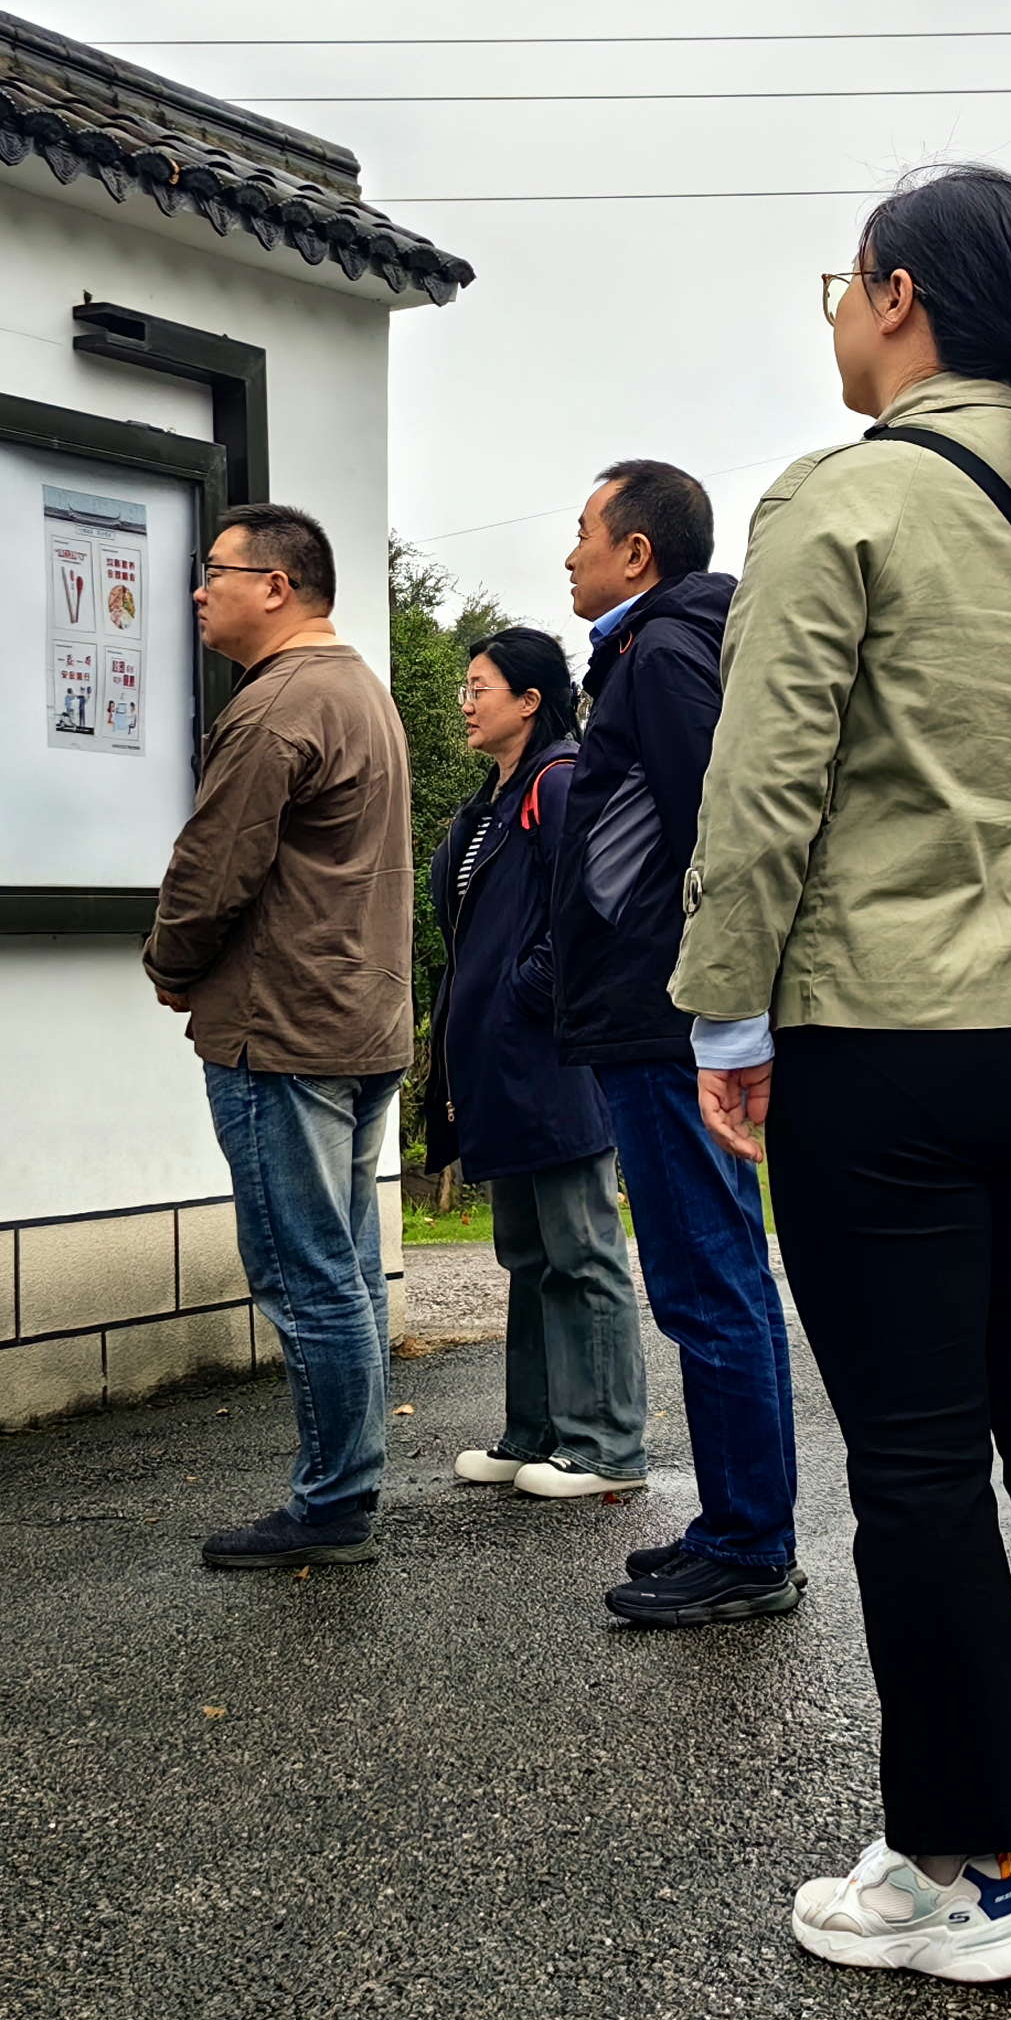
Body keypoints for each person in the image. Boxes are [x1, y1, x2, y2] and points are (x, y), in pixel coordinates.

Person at [678, 163, 1011, 1986]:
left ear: (896, 295)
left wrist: (723, 1013)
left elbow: (765, 790)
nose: (837, 311)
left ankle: (962, 1864)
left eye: (845, 283)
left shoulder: (844, 497)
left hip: (888, 1036)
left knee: (914, 1454)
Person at [538, 458, 805, 1630]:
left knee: (710, 1281)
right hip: (659, 1011)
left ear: (636, 553)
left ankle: (750, 1546)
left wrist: (718, 1007)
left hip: (667, 1017)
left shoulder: (662, 656)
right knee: (710, 1276)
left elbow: (719, 821)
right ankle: (733, 1527)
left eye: (583, 534)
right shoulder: (658, 650)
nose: (569, 555)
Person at [147, 503, 414, 1572]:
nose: (198, 590)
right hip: (359, 1018)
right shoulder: (359, 690)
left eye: (214, 571)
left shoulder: (275, 708)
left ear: (279, 585)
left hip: (284, 1026)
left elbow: (212, 873)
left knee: (307, 1274)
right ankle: (346, 1485)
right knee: (341, 1266)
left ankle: (335, 1501)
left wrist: (170, 967)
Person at [428, 627, 650, 1503]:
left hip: (554, 1059)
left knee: (583, 1249)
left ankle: (607, 1449)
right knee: (527, 1253)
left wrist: (534, 990)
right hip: (503, 1064)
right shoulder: (494, 796)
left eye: (480, 686)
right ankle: (537, 1434)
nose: (466, 701)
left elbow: (598, 907)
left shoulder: (560, 781)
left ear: (529, 699)